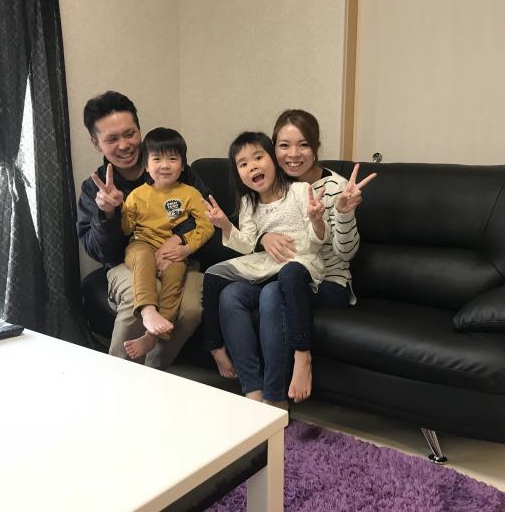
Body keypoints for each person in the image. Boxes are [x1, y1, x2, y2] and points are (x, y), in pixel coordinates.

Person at [219, 109, 376, 403]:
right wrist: (263, 238)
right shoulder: (270, 182)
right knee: (231, 294)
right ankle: (252, 390)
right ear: (272, 149)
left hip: (327, 280)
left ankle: (276, 395)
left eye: (303, 144)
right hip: (279, 272)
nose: (293, 154)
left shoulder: (336, 188)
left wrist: (343, 213)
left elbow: (345, 254)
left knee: (273, 293)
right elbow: (256, 229)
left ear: (315, 148)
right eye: (284, 145)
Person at [76, 91, 209, 369]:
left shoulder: (178, 171)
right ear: (96, 143)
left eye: (130, 134)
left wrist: (177, 240)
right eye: (112, 139)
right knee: (138, 296)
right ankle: (119, 377)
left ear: (139, 130)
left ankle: (153, 372)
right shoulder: (95, 188)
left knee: (191, 309)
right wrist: (108, 214)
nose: (124, 145)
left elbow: (207, 216)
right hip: (127, 262)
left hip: (180, 257)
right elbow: (101, 252)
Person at [201, 131, 328, 409]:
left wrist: (317, 220)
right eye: (243, 163)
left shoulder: (298, 191)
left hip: (299, 263)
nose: (253, 166)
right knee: (226, 290)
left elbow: (317, 240)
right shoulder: (249, 202)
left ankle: (279, 390)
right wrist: (225, 225)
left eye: (259, 157)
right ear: (238, 173)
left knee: (279, 285)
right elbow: (247, 244)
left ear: (273, 159)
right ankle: (252, 390)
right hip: (267, 266)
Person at [119, 127, 214, 359]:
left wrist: (186, 248)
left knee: (176, 274)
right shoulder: (137, 195)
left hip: (174, 250)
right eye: (157, 159)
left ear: (182, 166)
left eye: (172, 159)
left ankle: (152, 336)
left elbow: (206, 225)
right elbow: (125, 228)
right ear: (146, 165)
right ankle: (147, 310)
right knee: (144, 258)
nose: (165, 165)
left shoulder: (190, 193)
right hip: (141, 244)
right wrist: (116, 208)